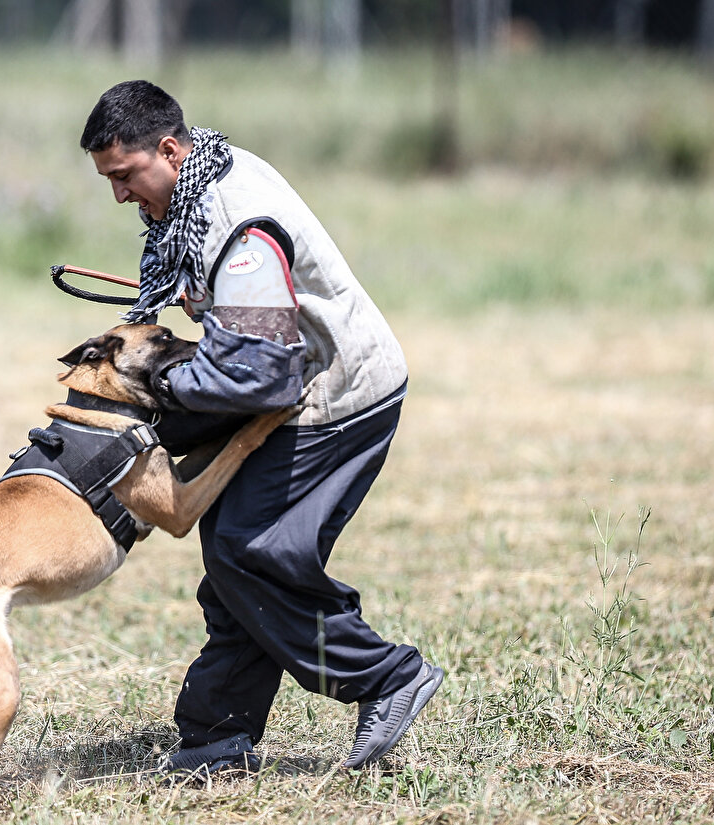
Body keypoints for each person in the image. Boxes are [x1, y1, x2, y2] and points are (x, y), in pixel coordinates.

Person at [79, 80, 443, 775]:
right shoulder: (205, 176)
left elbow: (260, 376)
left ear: (169, 149)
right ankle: (215, 741)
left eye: (126, 176)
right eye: (109, 181)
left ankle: (385, 677)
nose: (121, 196)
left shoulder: (238, 226)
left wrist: (156, 388)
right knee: (240, 562)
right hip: (297, 388)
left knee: (250, 551)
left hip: (336, 396)